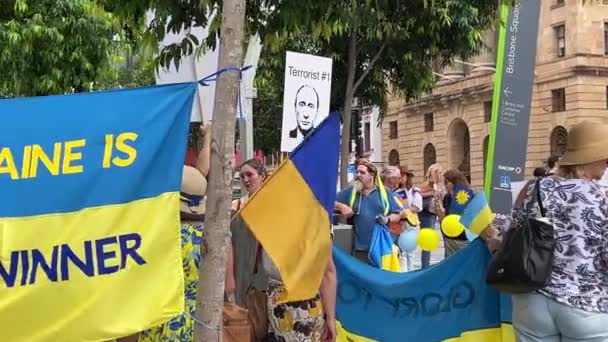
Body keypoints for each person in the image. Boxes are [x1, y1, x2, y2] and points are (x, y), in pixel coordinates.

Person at [507, 121, 608, 342]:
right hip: (586, 303)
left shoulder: (535, 187)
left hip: (531, 297)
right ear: (594, 158)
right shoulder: (602, 198)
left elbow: (511, 231)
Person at [229, 159, 337, 342]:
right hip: (277, 304)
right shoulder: (277, 223)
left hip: (299, 308)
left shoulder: (313, 225)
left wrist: (330, 318)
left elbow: (328, 273)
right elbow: (328, 274)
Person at [334, 159, 402, 264]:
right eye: (357, 172)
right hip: (359, 248)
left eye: (362, 172)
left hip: (381, 246)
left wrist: (387, 219)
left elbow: (397, 214)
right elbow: (329, 200)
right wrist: (342, 206)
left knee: (380, 278)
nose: (358, 175)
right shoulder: (351, 191)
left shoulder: (384, 192)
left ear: (372, 175)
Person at [435, 169, 471, 258]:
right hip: (449, 239)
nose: (444, 186)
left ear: (453, 182)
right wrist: (438, 205)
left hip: (463, 238)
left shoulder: (466, 196)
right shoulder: (447, 197)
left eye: (445, 183)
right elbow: (443, 220)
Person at [394, 167, 422, 272]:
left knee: (411, 252)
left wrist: (404, 211)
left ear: (407, 177)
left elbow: (417, 207)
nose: (400, 178)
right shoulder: (395, 191)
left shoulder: (414, 191)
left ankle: (411, 273)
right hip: (400, 223)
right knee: (402, 252)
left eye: (402, 175)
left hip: (411, 223)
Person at [417, 163, 444, 268]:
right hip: (426, 214)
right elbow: (417, 193)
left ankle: (425, 265)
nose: (441, 175)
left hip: (433, 213)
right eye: (439, 173)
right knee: (427, 241)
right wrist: (432, 193)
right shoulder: (426, 186)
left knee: (429, 242)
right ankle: (425, 266)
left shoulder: (439, 186)